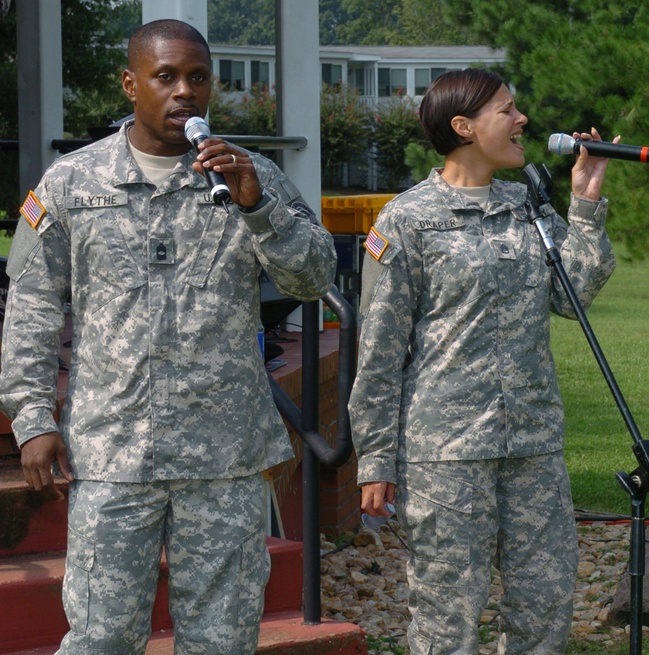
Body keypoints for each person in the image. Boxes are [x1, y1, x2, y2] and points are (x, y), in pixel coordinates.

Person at [0, 20, 337, 654]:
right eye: (166, 77)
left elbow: (315, 275)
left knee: (222, 639)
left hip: (225, 460)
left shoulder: (250, 176)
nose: (185, 91)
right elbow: (33, 305)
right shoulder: (72, 184)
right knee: (101, 636)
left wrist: (259, 210)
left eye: (198, 78)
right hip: (114, 459)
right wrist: (31, 417)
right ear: (131, 84)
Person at [348, 68, 616, 654]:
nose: (522, 121)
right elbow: (380, 350)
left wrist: (586, 203)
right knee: (448, 621)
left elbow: (576, 295)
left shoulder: (527, 207)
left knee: (545, 608)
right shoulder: (407, 220)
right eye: (507, 110)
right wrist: (375, 457)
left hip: (532, 446)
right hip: (446, 455)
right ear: (463, 126)